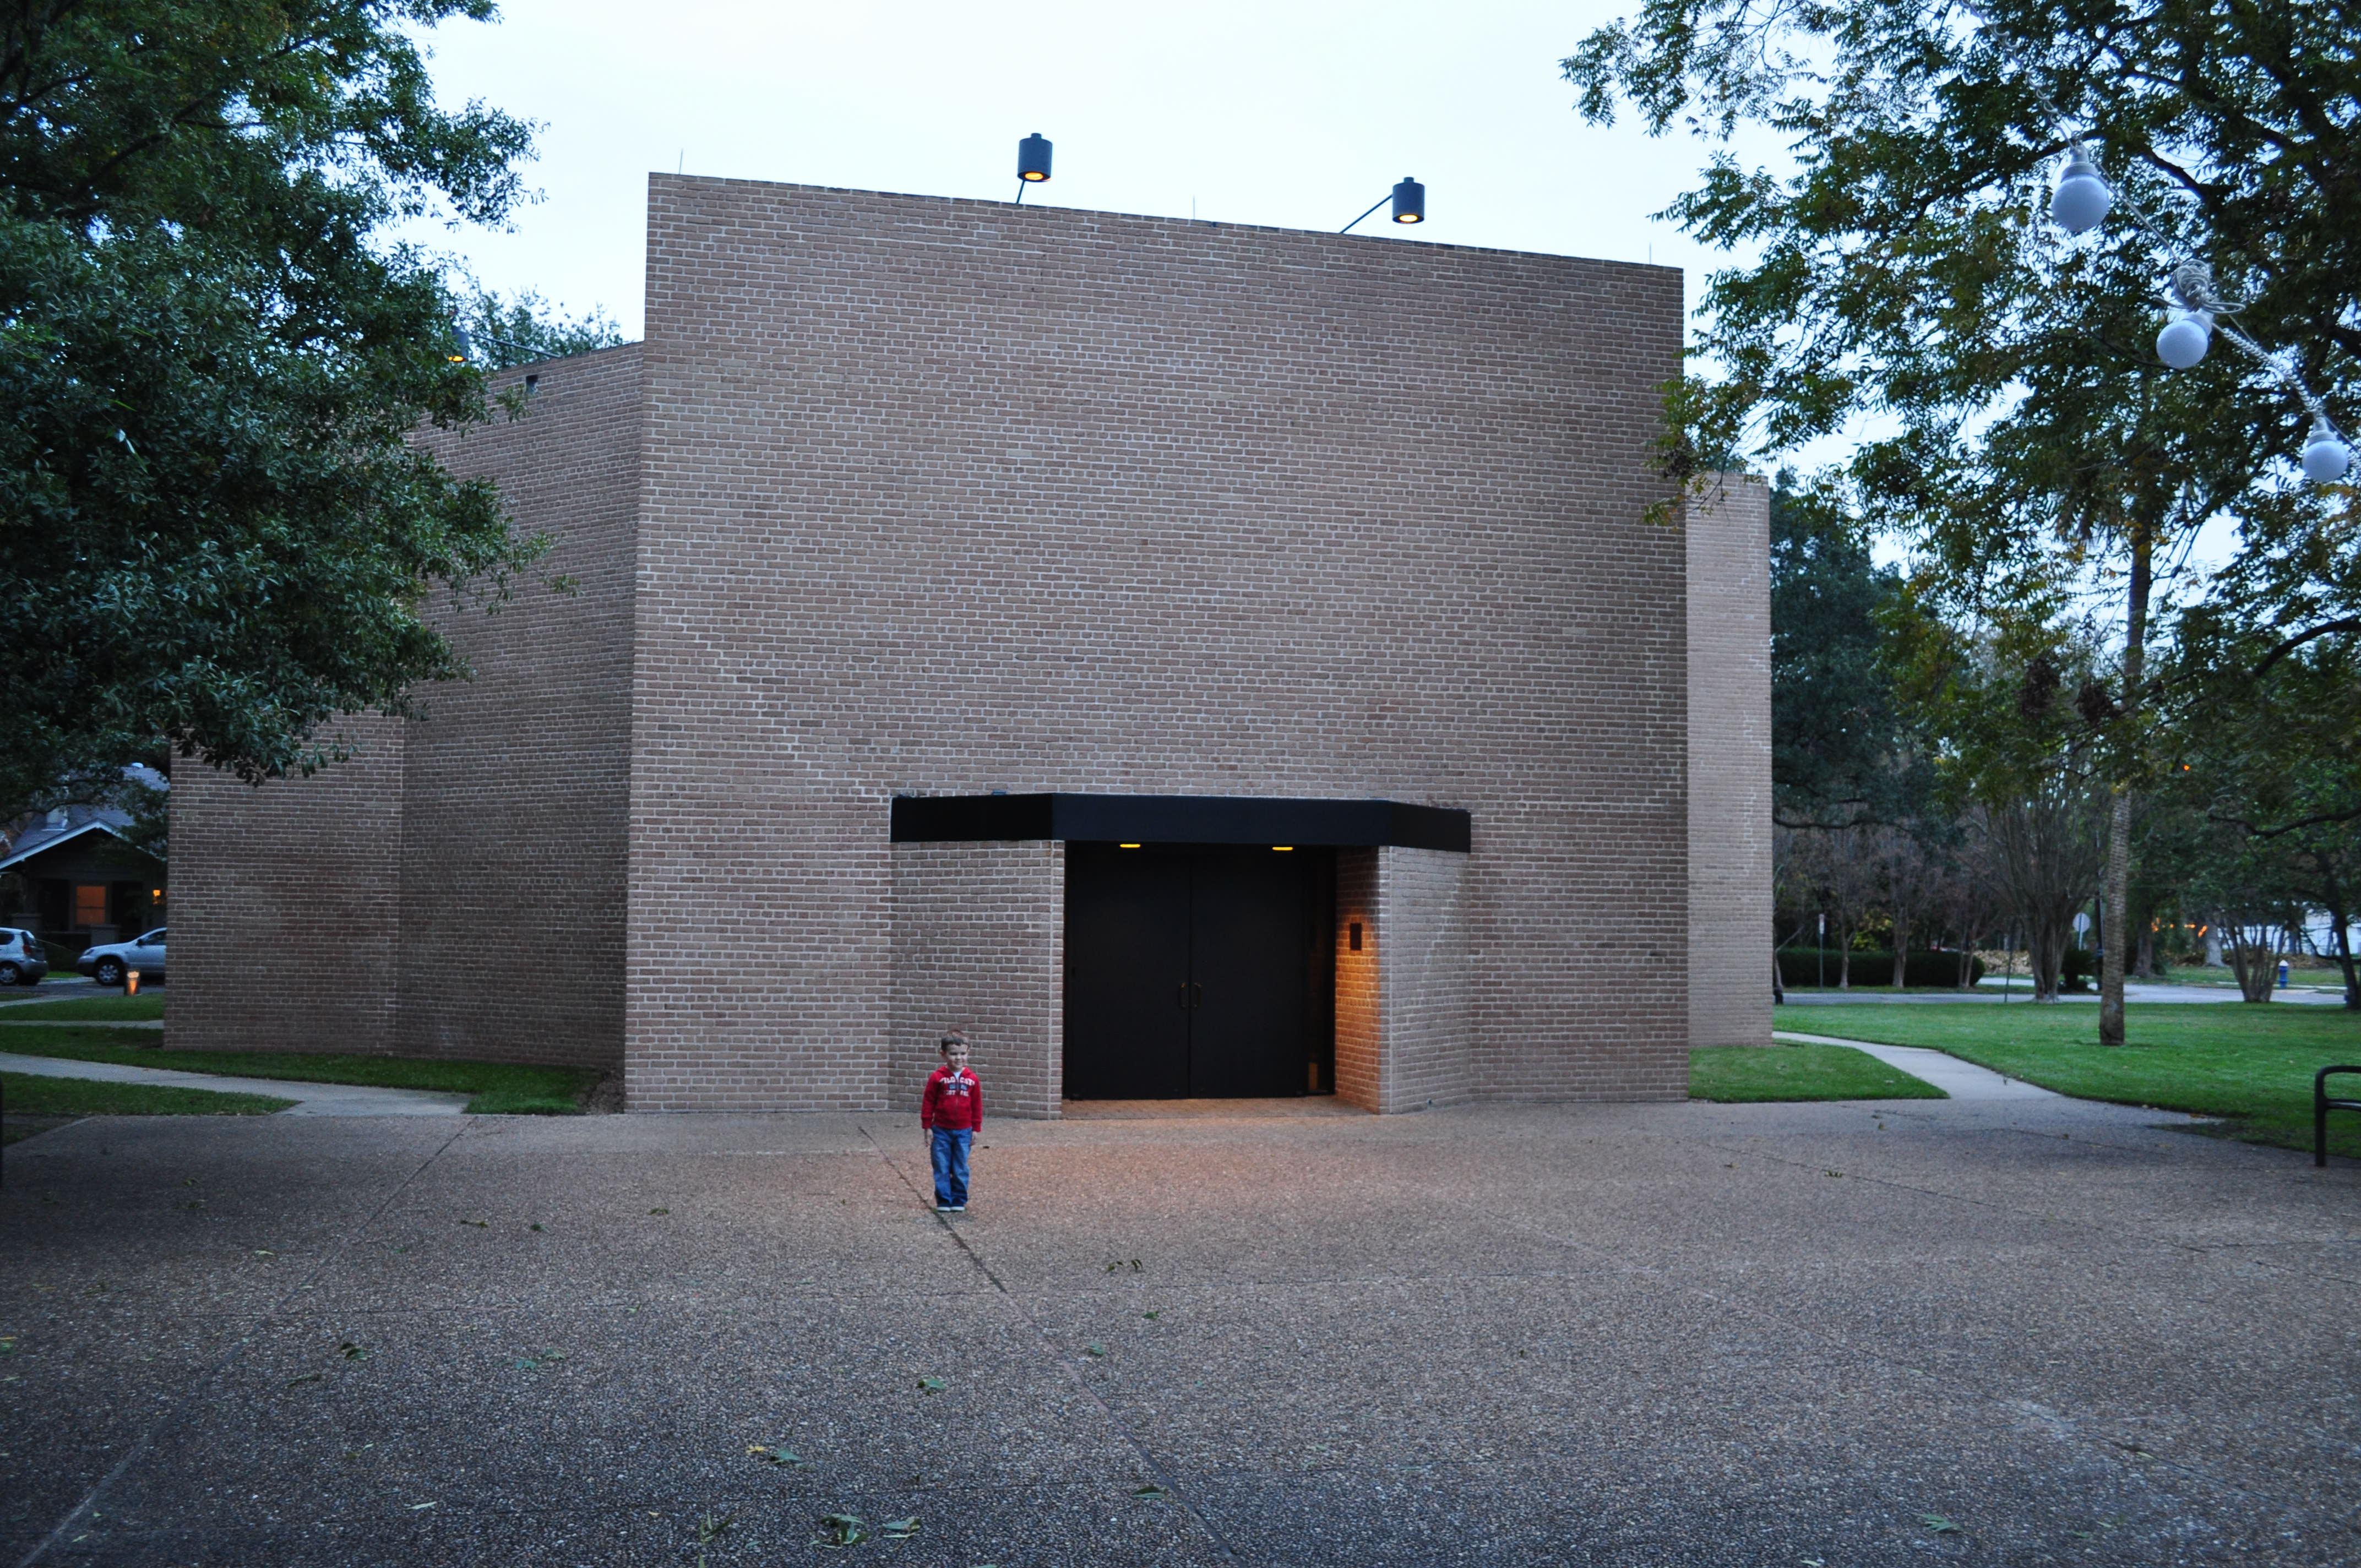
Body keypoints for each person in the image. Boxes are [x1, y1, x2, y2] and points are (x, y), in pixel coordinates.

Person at [920, 1029, 982, 1213]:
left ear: (968, 1053)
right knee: (941, 1165)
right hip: (941, 1130)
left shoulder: (972, 1080)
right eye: (953, 1054)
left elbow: (977, 1105)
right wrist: (927, 1127)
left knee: (960, 1166)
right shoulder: (938, 1078)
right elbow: (928, 1102)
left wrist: (976, 1128)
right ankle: (944, 1200)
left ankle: (959, 1199)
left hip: (964, 1131)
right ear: (943, 1055)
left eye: (963, 1054)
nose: (958, 1058)